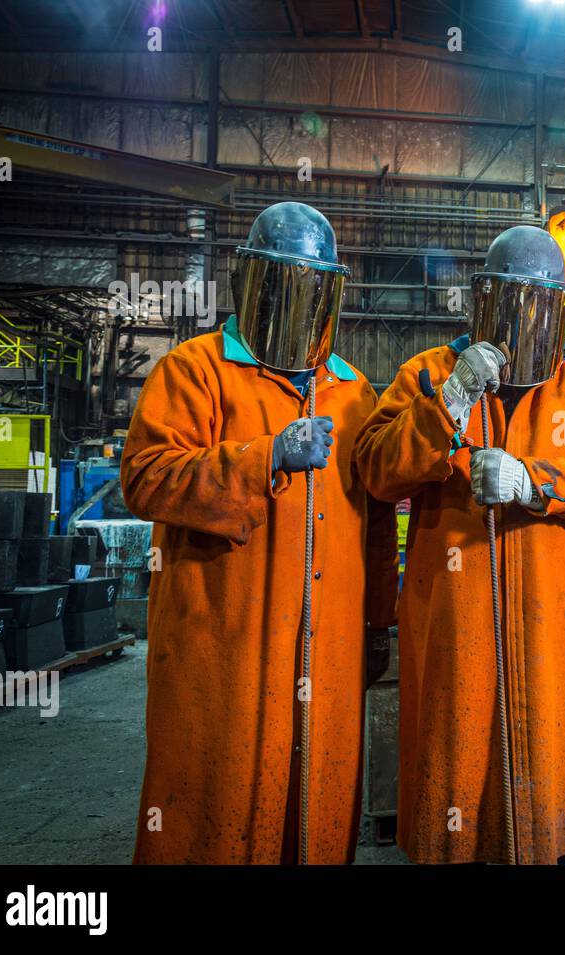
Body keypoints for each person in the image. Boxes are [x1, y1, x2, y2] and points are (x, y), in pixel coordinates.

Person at [354, 225, 565, 865]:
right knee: (455, 786)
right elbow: (375, 468)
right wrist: (450, 401)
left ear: (562, 308)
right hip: (455, 631)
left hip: (555, 632)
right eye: (511, 304)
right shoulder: (429, 373)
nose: (524, 325)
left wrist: (533, 481)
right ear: (484, 301)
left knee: (552, 791)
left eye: (541, 307)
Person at [122, 201, 396, 864]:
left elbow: (377, 523)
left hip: (326, 656)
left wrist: (378, 624)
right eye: (282, 285)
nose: (298, 306)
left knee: (314, 811)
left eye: (313, 288)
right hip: (222, 654)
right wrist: (263, 457)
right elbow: (147, 477)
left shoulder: (354, 392)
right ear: (250, 280)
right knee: (210, 808)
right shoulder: (194, 371)